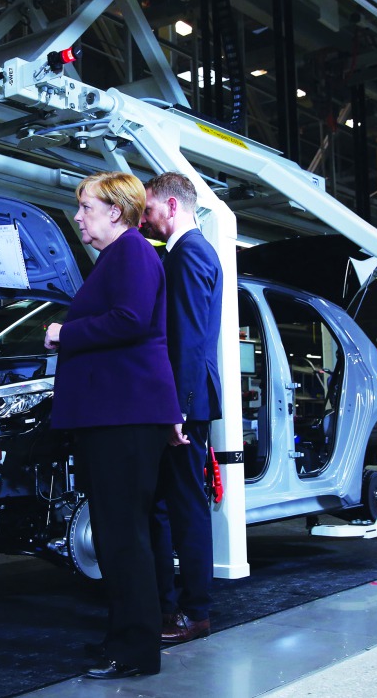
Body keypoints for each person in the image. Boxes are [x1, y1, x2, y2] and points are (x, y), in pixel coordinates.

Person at [43, 171, 182, 680]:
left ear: (116, 212)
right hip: (114, 414)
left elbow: (130, 319)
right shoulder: (119, 257)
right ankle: (120, 639)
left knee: (123, 535)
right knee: (116, 532)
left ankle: (136, 650)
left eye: (86, 207)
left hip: (123, 415)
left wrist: (65, 332)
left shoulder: (131, 253)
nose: (79, 216)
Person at [140, 172, 222, 645]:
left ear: (172, 206)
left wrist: (179, 413)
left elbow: (188, 342)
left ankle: (195, 612)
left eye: (149, 210)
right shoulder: (191, 253)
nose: (145, 219)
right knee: (171, 505)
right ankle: (174, 606)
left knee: (187, 508)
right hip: (184, 402)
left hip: (185, 406)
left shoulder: (189, 255)